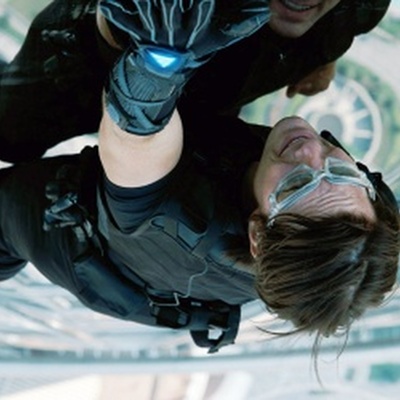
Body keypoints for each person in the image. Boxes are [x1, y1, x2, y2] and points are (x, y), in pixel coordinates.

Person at [0, 0, 398, 356]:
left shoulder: (176, 218)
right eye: (340, 171)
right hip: (214, 153)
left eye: (295, 186)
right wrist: (321, 51)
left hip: (93, 247)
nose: (310, 151)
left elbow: (138, 136)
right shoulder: (350, 224)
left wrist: (158, 59)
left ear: (257, 234)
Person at [0, 0, 391, 162]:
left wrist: (324, 59)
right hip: (77, 77)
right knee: (9, 137)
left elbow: (351, 19)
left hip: (210, 103)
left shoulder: (360, 6)